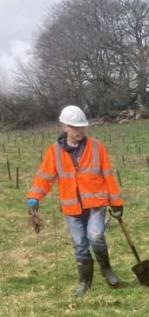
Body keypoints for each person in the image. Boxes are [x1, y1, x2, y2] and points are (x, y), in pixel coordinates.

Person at [25, 105, 124, 297]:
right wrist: (34, 197)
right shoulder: (54, 152)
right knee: (80, 244)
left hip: (96, 204)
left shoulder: (97, 148)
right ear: (65, 127)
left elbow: (109, 176)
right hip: (71, 207)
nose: (80, 131)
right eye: (75, 127)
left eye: (82, 127)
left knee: (95, 237)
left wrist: (116, 201)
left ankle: (107, 269)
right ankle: (84, 282)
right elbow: (44, 177)